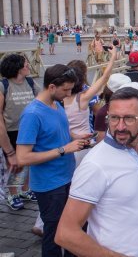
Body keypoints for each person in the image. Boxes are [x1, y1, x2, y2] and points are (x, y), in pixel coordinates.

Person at [55, 87, 138, 256]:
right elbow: (65, 234)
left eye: (129, 118)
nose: (120, 126)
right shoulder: (95, 165)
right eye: (114, 118)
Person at [16, 64, 87, 256]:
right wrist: (63, 150)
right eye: (65, 90)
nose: (68, 94)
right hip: (49, 185)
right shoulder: (32, 114)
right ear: (52, 87)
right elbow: (22, 157)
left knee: (73, 227)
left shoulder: (56, 104)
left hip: (67, 177)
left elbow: (61, 131)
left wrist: (77, 137)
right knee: (53, 234)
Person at [0, 54, 40, 211]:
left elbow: (43, 98)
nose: (28, 66)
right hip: (11, 131)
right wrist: (8, 149)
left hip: (28, 130)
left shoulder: (30, 82)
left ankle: (25, 190)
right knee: (14, 164)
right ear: (17, 67)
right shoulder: (4, 85)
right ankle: (13, 194)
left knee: (26, 162)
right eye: (25, 64)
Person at [64, 48, 117, 166]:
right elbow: (104, 77)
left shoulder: (59, 99)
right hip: (84, 143)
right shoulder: (82, 98)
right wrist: (113, 56)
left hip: (66, 145)